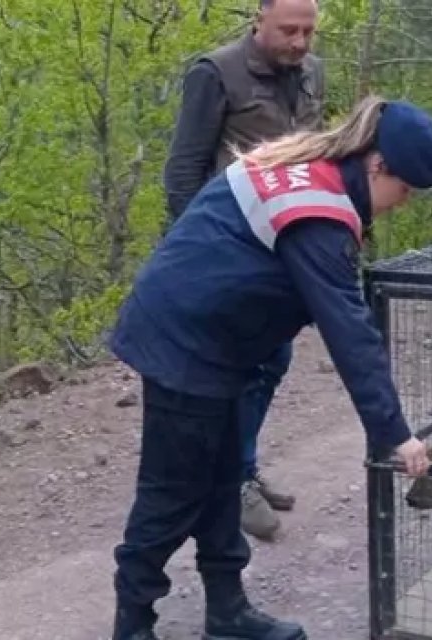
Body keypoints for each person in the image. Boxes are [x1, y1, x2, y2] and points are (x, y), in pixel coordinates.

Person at [107, 95, 432, 640]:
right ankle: (133, 622)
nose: (399, 205)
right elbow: (348, 332)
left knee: (224, 480)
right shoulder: (322, 212)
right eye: (403, 192)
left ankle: (227, 611)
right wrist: (394, 434)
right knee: (173, 492)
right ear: (377, 165)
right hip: (184, 343)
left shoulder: (312, 169)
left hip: (223, 345)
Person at [161, 0, 325, 541]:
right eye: (288, 30)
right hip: (229, 251)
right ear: (260, 17)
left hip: (283, 250)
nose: (299, 42)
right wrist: (198, 255)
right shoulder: (216, 74)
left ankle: (242, 466)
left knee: (271, 364)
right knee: (234, 372)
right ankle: (229, 483)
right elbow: (184, 168)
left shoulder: (311, 73)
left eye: (308, 30)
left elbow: (314, 156)